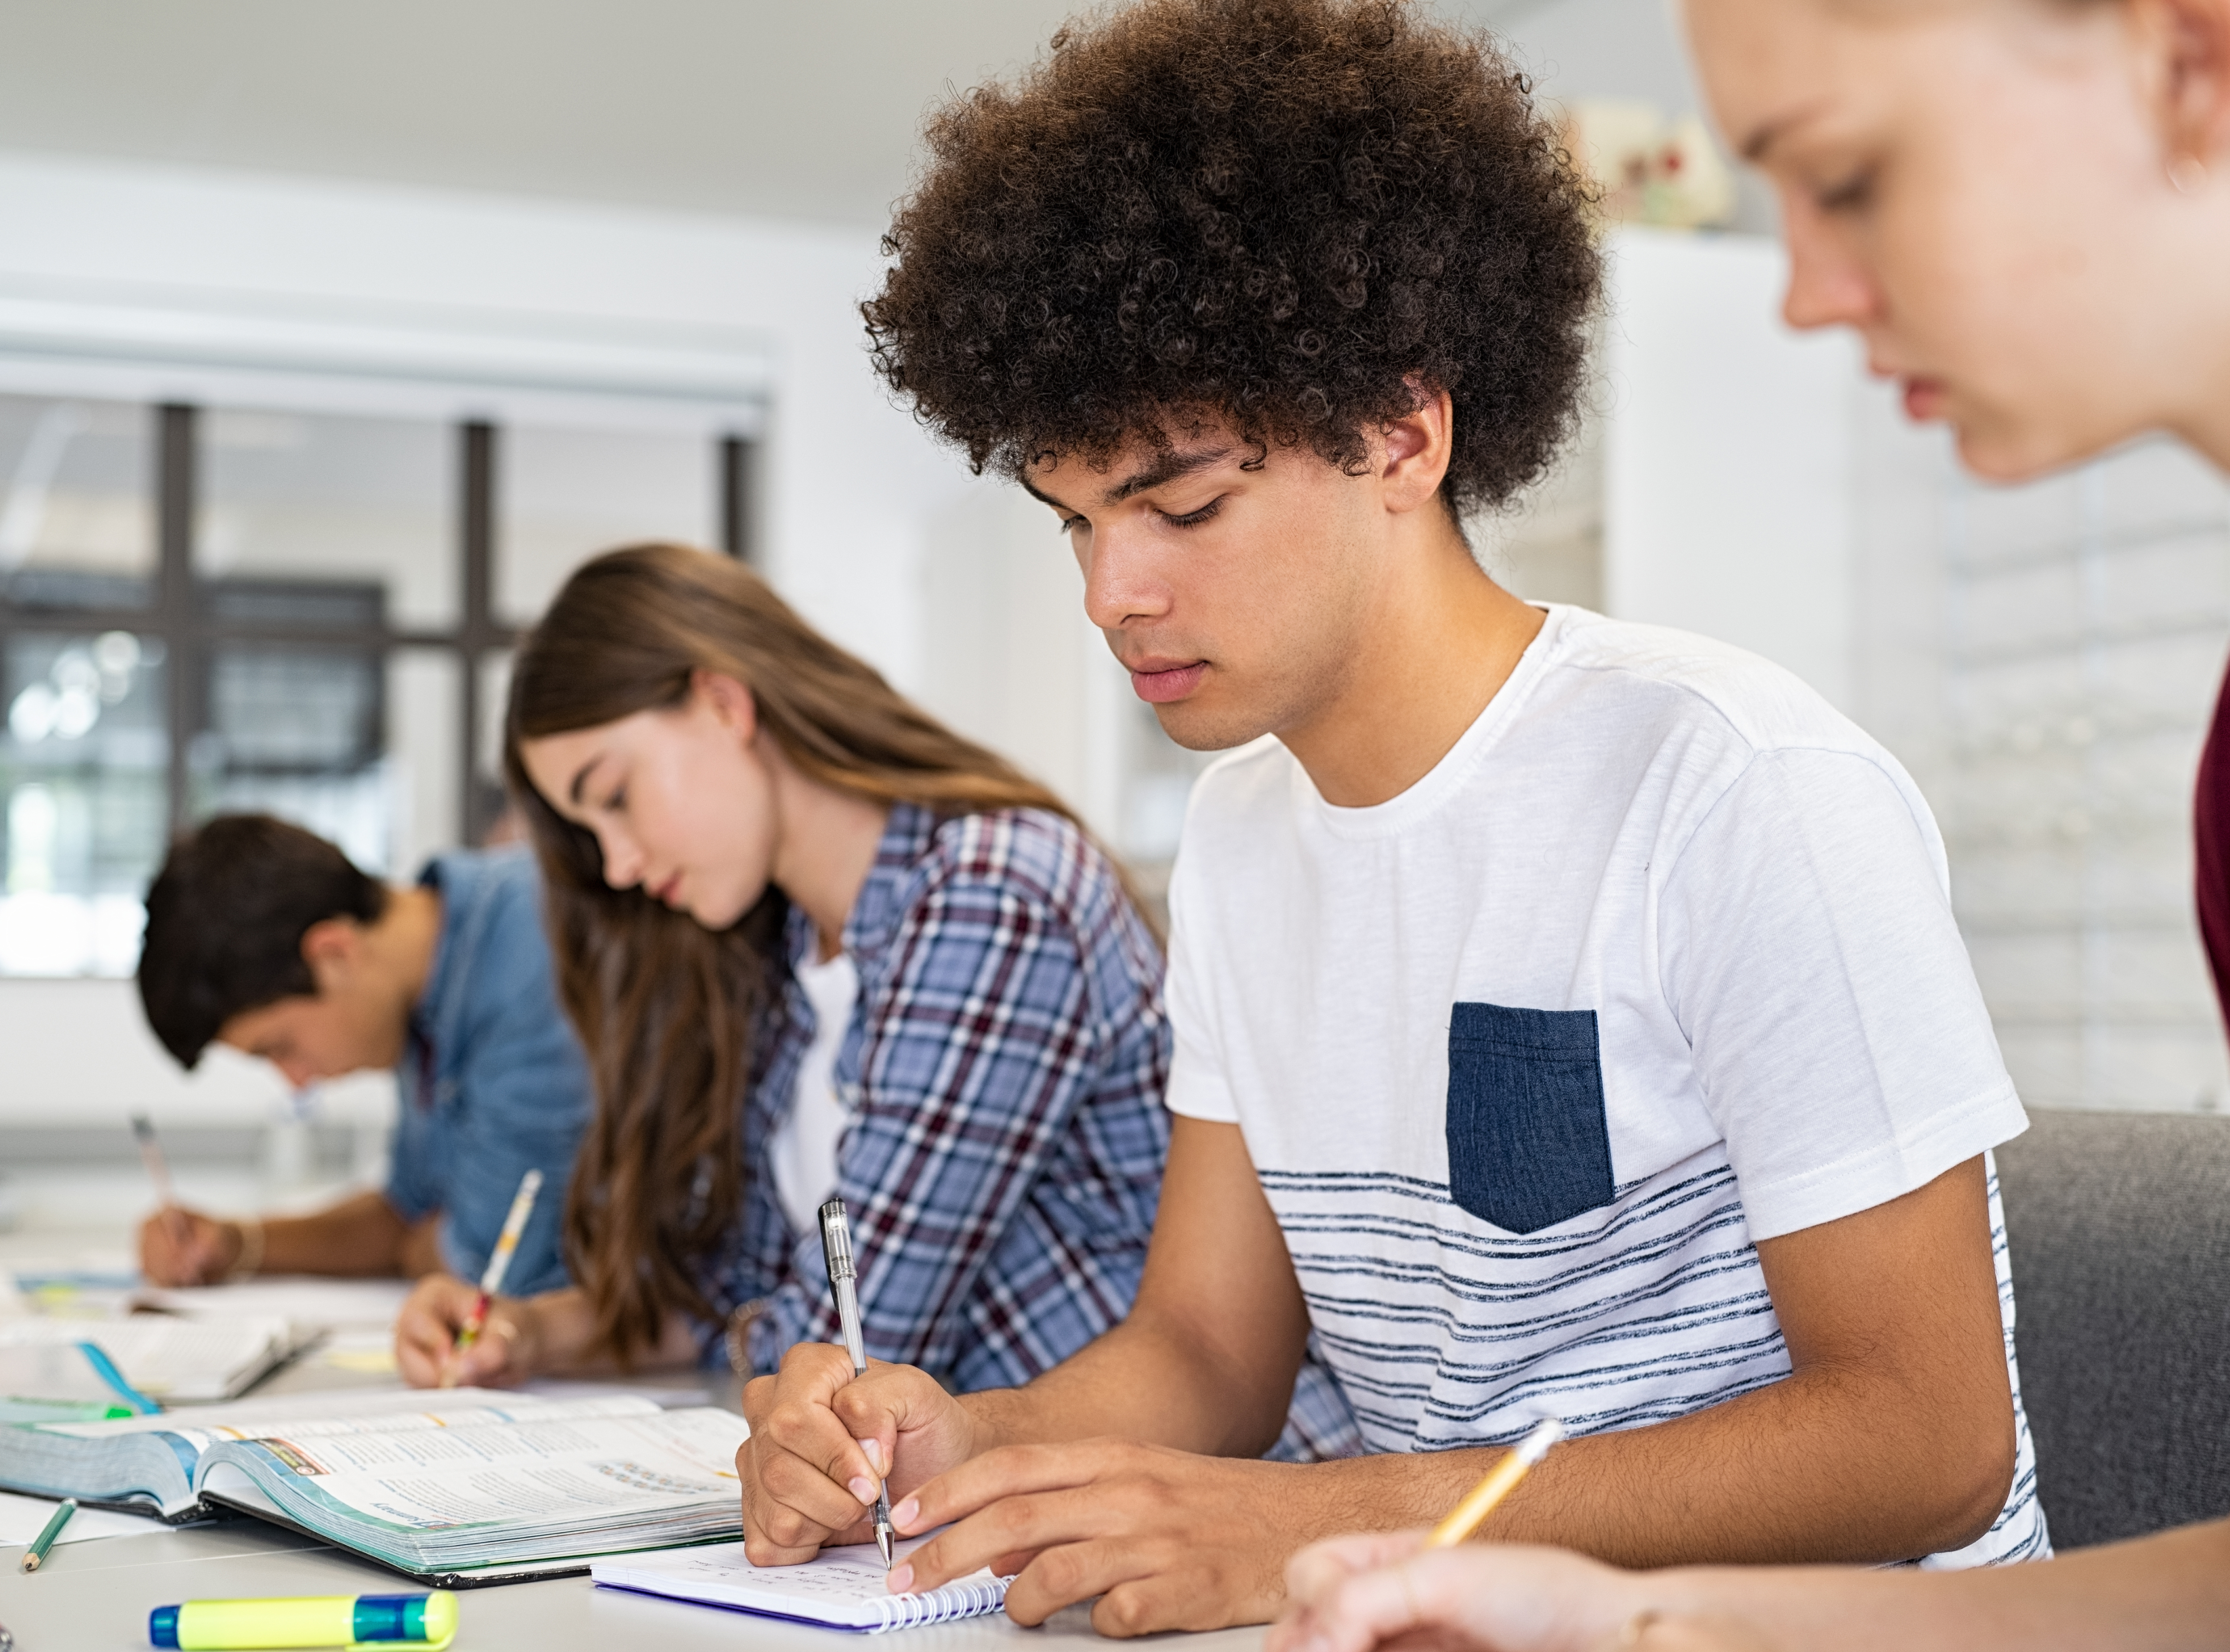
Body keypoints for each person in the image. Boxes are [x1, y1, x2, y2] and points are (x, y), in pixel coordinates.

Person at [736, 0, 2053, 1636]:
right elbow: (1212, 1356)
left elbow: (1930, 1438)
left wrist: (1326, 1522)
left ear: (1403, 435)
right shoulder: (1238, 837)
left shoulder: (1730, 785)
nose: (1111, 592)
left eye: (1183, 503)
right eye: (1076, 521)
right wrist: (967, 1443)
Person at [1266, 0, 2230, 1645]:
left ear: (2189, 60)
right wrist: (1615, 1620)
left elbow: (1940, 1447)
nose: (1808, 293)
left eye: (1852, 178)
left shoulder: (1738, 778)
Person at [390, 543, 1178, 1415]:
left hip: (1153, 1502)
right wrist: (529, 1331)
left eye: (613, 796)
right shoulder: (784, 947)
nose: (616, 864)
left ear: (724, 703)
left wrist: (743, 1324)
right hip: (944, 1510)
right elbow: (732, 1286)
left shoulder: (993, 892)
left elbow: (859, 1338)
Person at [133, 814, 589, 1298]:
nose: (296, 1081)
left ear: (334, 954)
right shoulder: (423, 999)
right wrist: (238, 1244)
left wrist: (433, 1243)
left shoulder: (531, 950)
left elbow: (498, 1266)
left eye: (279, 1048)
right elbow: (404, 1217)